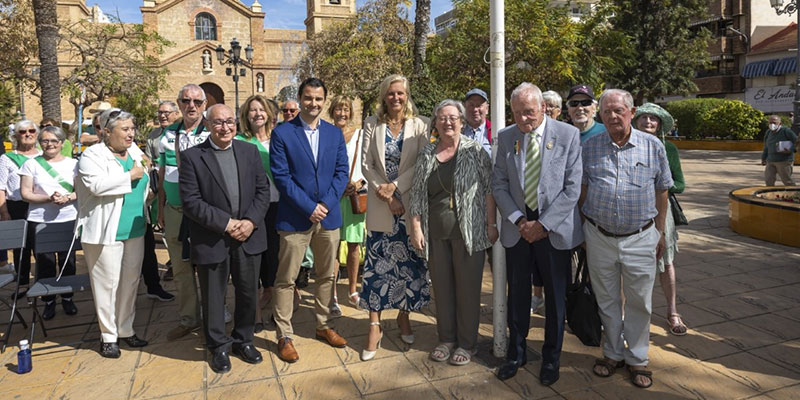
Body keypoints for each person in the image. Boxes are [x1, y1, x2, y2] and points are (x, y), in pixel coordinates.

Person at [581, 89, 672, 389]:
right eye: (606, 112)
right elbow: (582, 191)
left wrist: (659, 231)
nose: (612, 116)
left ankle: (637, 358)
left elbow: (663, 191)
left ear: (631, 112)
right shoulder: (590, 147)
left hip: (641, 236)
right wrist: (584, 227)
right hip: (599, 236)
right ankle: (612, 352)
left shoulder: (653, 146)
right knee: (606, 300)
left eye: (618, 110)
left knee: (639, 302)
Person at [492, 83, 583, 386]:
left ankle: (551, 358)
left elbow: (572, 188)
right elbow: (499, 184)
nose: (523, 119)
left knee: (556, 299)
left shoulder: (567, 135)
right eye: (517, 113)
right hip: (518, 228)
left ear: (543, 107)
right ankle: (516, 354)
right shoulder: (506, 137)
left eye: (528, 112)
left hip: (552, 229)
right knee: (517, 294)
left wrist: (543, 225)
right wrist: (519, 220)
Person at [180, 104, 270, 374]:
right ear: (207, 125)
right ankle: (218, 346)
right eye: (218, 122)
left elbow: (262, 191)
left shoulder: (249, 151)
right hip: (212, 238)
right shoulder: (192, 157)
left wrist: (250, 222)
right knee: (214, 296)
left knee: (247, 293)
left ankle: (243, 340)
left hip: (248, 236)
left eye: (230, 121)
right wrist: (228, 224)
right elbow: (191, 202)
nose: (225, 127)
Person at [409, 99, 496, 366]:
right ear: (435, 122)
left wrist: (492, 225)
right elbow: (417, 193)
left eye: (453, 117)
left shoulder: (475, 150)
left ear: (461, 121)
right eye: (442, 118)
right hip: (436, 233)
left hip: (469, 232)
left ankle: (467, 344)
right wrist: (415, 227)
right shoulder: (426, 153)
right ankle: (446, 339)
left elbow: (489, 191)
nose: (448, 122)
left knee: (468, 290)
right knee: (443, 289)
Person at [270, 78, 349, 363]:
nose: (312, 103)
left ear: (324, 101)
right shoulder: (283, 133)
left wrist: (325, 205)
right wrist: (308, 207)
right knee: (286, 279)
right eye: (307, 98)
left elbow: (342, 173)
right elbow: (281, 177)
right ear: (300, 98)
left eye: (318, 99)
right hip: (295, 217)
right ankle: (284, 335)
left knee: (327, 275)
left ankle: (323, 325)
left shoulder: (333, 134)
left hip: (329, 217)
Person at [358, 74, 430, 361]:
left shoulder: (420, 124)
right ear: (383, 95)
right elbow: (366, 164)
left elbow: (424, 161)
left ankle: (403, 316)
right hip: (381, 206)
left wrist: (397, 187)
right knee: (377, 269)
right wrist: (387, 195)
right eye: (391, 93)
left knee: (410, 268)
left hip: (410, 208)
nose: (396, 98)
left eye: (400, 93)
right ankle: (374, 325)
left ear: (407, 94)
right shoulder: (371, 124)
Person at [77, 109, 150, 358]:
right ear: (107, 132)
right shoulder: (91, 156)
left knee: (130, 283)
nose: (131, 134)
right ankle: (108, 336)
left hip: (135, 228)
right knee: (106, 284)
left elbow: (147, 172)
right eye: (125, 129)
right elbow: (96, 186)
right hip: (105, 231)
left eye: (132, 128)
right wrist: (130, 175)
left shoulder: (135, 152)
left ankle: (126, 330)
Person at [158, 84, 210, 341]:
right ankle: (189, 318)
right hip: (175, 210)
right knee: (180, 267)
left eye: (197, 102)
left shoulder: (212, 131)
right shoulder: (167, 134)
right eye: (186, 101)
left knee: (210, 264)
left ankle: (215, 313)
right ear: (179, 103)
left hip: (205, 213)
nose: (192, 106)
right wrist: (160, 209)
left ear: (204, 105)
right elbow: (161, 173)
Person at [634, 103, 687, 336]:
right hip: (633, 213)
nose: (648, 122)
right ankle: (631, 316)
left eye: (653, 119)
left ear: (660, 124)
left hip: (661, 213)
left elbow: (680, 184)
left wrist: (658, 185)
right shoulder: (629, 145)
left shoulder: (669, 148)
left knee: (666, 263)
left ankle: (672, 311)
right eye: (643, 118)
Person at [19, 126, 80, 321]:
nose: (50, 144)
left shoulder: (74, 164)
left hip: (68, 217)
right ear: (40, 143)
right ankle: (49, 301)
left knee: (67, 261)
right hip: (40, 220)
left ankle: (68, 297)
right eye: (45, 141)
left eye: (54, 141)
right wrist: (47, 199)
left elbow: (81, 191)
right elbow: (25, 193)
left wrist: (68, 197)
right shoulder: (31, 164)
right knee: (44, 263)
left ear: (62, 143)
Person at [235, 94, 280, 332]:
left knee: (276, 262)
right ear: (246, 115)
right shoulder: (240, 141)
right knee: (254, 264)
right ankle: (256, 315)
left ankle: (278, 311)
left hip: (279, 207)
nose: (257, 114)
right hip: (253, 211)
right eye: (252, 110)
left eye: (261, 109)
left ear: (269, 114)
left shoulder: (279, 139)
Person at [327, 96, 366, 314]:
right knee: (331, 246)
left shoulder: (360, 135)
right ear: (332, 112)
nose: (342, 113)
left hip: (355, 195)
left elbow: (369, 162)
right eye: (338, 109)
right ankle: (331, 295)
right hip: (333, 196)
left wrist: (360, 182)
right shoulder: (325, 135)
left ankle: (352, 290)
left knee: (353, 244)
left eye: (346, 110)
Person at [141, 100, 180, 300]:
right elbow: (147, 159)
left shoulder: (178, 133)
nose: (162, 116)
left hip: (175, 186)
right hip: (157, 188)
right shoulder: (154, 136)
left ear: (176, 114)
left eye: (166, 112)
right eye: (160, 112)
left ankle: (177, 262)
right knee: (162, 225)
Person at [0, 120, 41, 299]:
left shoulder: (43, 155)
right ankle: (22, 284)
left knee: (41, 248)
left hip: (40, 205)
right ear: (16, 135)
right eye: (23, 131)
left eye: (31, 130)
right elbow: (1, 186)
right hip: (17, 207)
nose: (27, 134)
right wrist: (4, 212)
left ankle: (43, 284)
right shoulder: (6, 158)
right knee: (21, 248)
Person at [761, 114, 797, 186]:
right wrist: (763, 157)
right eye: (770, 123)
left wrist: (791, 149)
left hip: (784, 161)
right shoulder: (768, 132)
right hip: (770, 161)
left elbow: (797, 142)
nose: (772, 124)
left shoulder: (786, 131)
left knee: (787, 181)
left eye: (774, 122)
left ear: (780, 123)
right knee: (769, 180)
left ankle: (795, 194)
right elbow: (766, 146)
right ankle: (769, 195)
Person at [462, 88, 492, 156]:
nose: (475, 109)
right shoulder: (458, 131)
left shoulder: (495, 131)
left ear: (487, 109)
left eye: (479, 105)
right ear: (465, 107)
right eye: (471, 105)